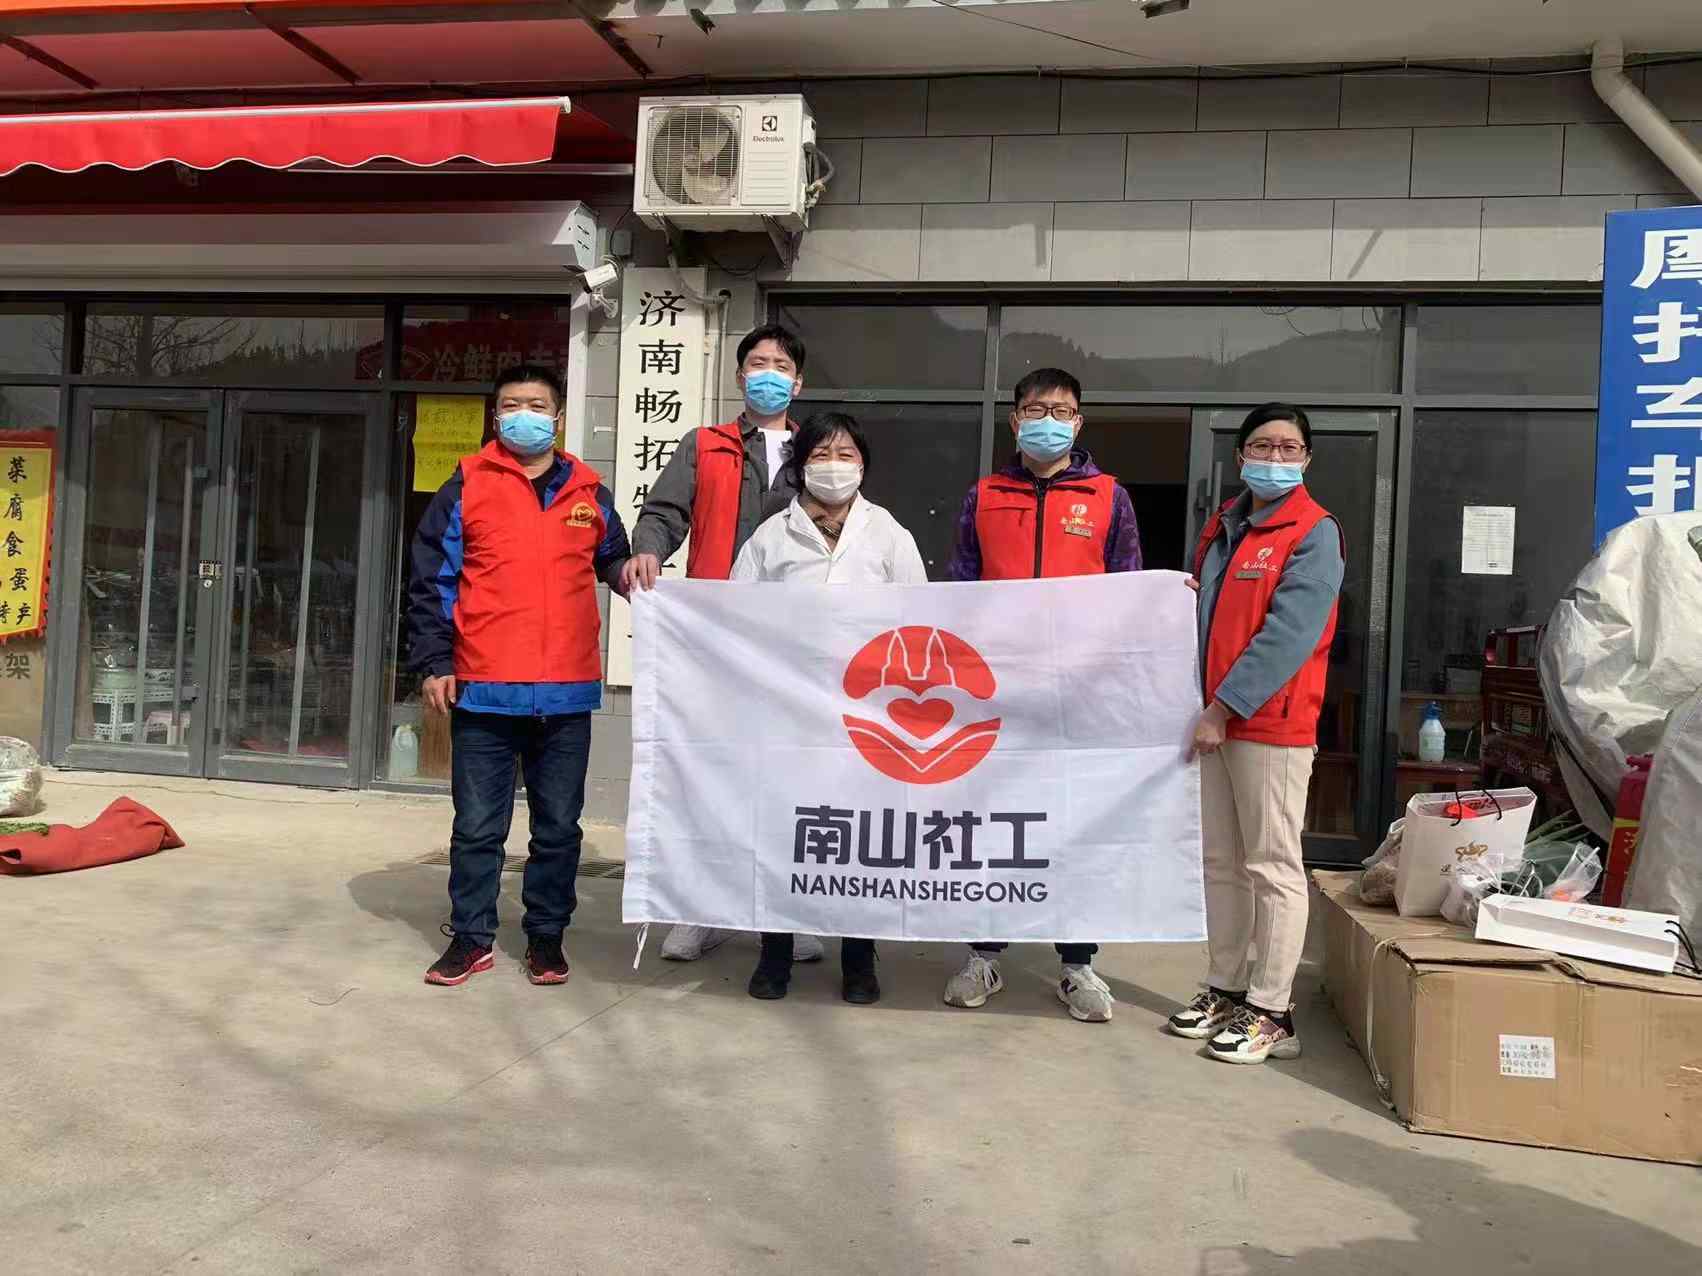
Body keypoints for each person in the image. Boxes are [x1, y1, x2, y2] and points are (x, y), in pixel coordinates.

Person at [408, 363, 630, 987]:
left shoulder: (589, 492)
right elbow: (431, 581)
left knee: (557, 829)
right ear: (495, 416)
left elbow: (615, 561)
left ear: (557, 418)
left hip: (565, 693)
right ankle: (471, 937)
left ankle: (546, 937)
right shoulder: (466, 485)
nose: (523, 415)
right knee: (478, 827)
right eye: (511, 405)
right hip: (484, 688)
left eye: (535, 405)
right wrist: (435, 661)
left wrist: (641, 575)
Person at [942, 367, 1142, 1023]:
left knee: (1075, 825)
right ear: (1015, 420)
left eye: (1061, 410)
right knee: (993, 823)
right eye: (1036, 409)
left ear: (1079, 422)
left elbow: (1128, 594)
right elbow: (960, 591)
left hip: (1079, 694)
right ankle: (984, 954)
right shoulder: (984, 495)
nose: (1048, 420)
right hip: (999, 692)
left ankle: (1077, 964)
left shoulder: (1109, 497)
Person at [623, 322, 822, 964]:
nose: (769, 374)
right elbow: (666, 513)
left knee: (789, 777)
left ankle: (789, 914)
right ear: (739, 376)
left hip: (791, 643)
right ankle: (700, 911)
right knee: (709, 772)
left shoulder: (818, 451)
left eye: (781, 366)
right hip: (714, 637)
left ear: (799, 382)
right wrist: (648, 551)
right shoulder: (704, 445)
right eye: (758, 363)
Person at [1168, 402, 1344, 1064]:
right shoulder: (1226, 526)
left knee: (1272, 866)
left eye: (1288, 448)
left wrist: (1224, 708)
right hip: (1216, 721)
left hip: (1269, 725)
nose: (1274, 458)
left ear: (1306, 458)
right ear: (1241, 455)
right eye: (1262, 446)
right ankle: (1226, 986)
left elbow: (1288, 635)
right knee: (1222, 863)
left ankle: (1273, 1011)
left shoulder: (1314, 531)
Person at [733, 411, 928, 1006]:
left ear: (863, 465)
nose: (834, 466)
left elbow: (920, 617)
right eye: (821, 454)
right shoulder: (772, 536)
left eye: (846, 455)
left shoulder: (888, 533)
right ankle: (774, 952)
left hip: (867, 713)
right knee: (785, 831)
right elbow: (735, 617)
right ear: (799, 465)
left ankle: (859, 959)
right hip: (788, 711)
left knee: (861, 836)